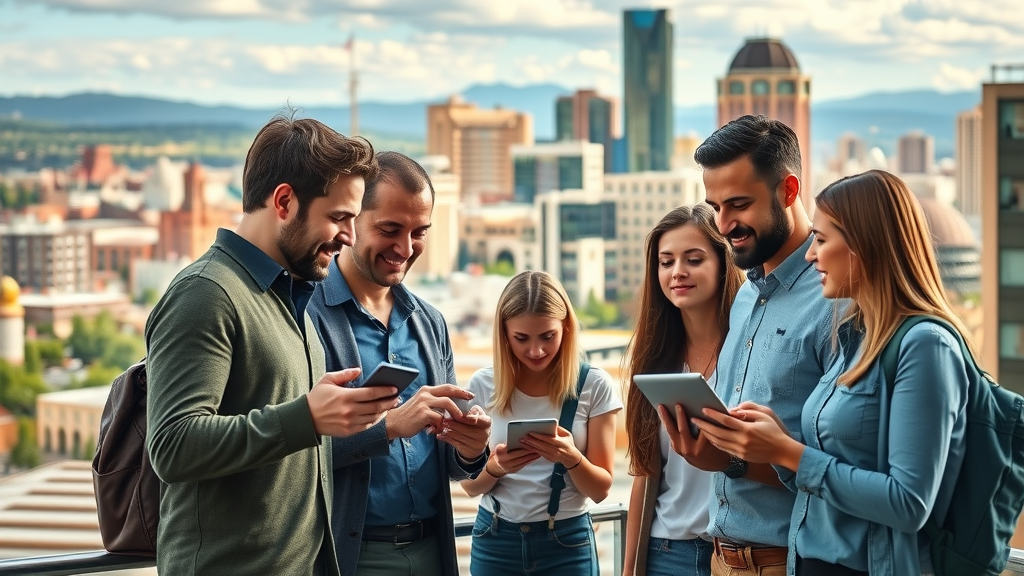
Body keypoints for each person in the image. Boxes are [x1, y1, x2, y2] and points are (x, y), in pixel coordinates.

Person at [146, 115, 400, 576]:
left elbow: (280, 431)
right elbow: (173, 445)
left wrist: (335, 415)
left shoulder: (291, 293)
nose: (349, 236)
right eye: (339, 217)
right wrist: (306, 416)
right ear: (283, 201)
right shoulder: (207, 293)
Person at [694, 170, 971, 576]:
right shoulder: (857, 337)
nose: (809, 255)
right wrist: (777, 445)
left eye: (821, 241)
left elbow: (910, 504)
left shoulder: (925, 344)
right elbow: (825, 473)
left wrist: (786, 452)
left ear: (865, 246)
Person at [661, 114, 838, 576]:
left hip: (788, 561)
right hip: (720, 558)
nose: (724, 224)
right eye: (715, 206)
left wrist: (736, 460)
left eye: (738, 204)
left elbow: (848, 472)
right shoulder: (743, 295)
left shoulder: (833, 302)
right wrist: (715, 452)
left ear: (789, 190)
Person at [306, 151, 492, 576]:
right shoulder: (307, 316)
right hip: (349, 557)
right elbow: (293, 455)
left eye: (420, 232)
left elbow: (448, 464)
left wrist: (469, 448)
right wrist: (388, 428)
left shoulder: (430, 322)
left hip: (432, 549)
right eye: (390, 229)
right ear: (352, 223)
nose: (406, 248)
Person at [460, 270, 623, 576]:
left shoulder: (593, 384)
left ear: (566, 328)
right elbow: (469, 487)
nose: (535, 351)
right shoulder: (483, 384)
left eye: (548, 336)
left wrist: (571, 458)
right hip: (495, 539)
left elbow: (601, 490)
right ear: (504, 334)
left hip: (567, 542)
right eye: (521, 338)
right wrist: (496, 468)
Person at [622, 204, 744, 576]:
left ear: (723, 265)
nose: (677, 272)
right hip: (666, 552)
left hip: (736, 555)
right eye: (666, 261)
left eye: (693, 259)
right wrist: (630, 570)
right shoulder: (656, 362)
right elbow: (645, 473)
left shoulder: (750, 350)